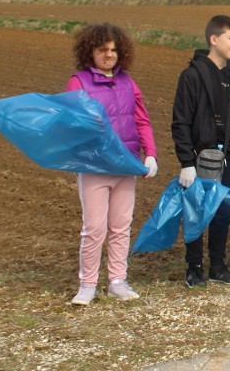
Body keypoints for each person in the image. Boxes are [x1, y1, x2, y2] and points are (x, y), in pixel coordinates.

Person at [67, 23, 158, 306]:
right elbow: (71, 124)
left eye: (114, 50)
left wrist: (150, 153)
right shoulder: (78, 82)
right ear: (90, 52)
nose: (109, 55)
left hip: (126, 166)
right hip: (95, 169)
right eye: (102, 50)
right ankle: (87, 285)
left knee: (121, 226)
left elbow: (141, 119)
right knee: (94, 228)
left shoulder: (128, 82)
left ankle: (117, 281)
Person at [172, 15, 230, 287]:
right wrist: (186, 162)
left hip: (229, 160)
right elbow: (180, 121)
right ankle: (194, 268)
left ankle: (218, 265)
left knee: (222, 213)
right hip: (199, 158)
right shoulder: (191, 76)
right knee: (195, 213)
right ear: (214, 39)